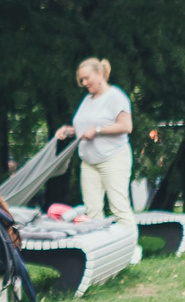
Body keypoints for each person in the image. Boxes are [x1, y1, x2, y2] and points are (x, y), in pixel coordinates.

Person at [57, 57, 134, 221]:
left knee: (119, 207)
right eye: (81, 80)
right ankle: (102, 246)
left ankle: (131, 246)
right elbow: (84, 129)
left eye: (87, 78)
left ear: (100, 74)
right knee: (92, 211)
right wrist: (68, 131)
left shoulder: (115, 96)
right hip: (89, 163)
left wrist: (98, 131)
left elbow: (126, 127)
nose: (84, 83)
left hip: (113, 158)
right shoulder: (87, 100)